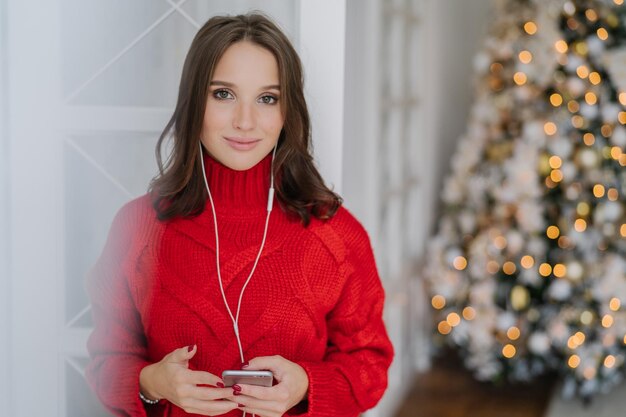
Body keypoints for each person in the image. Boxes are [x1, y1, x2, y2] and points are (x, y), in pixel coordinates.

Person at [85, 12, 393, 417]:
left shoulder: (336, 234)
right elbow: (105, 360)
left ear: (288, 112)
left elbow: (369, 366)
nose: (245, 122)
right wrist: (151, 382)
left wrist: (305, 385)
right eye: (223, 94)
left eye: (267, 98)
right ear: (195, 101)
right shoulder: (137, 228)